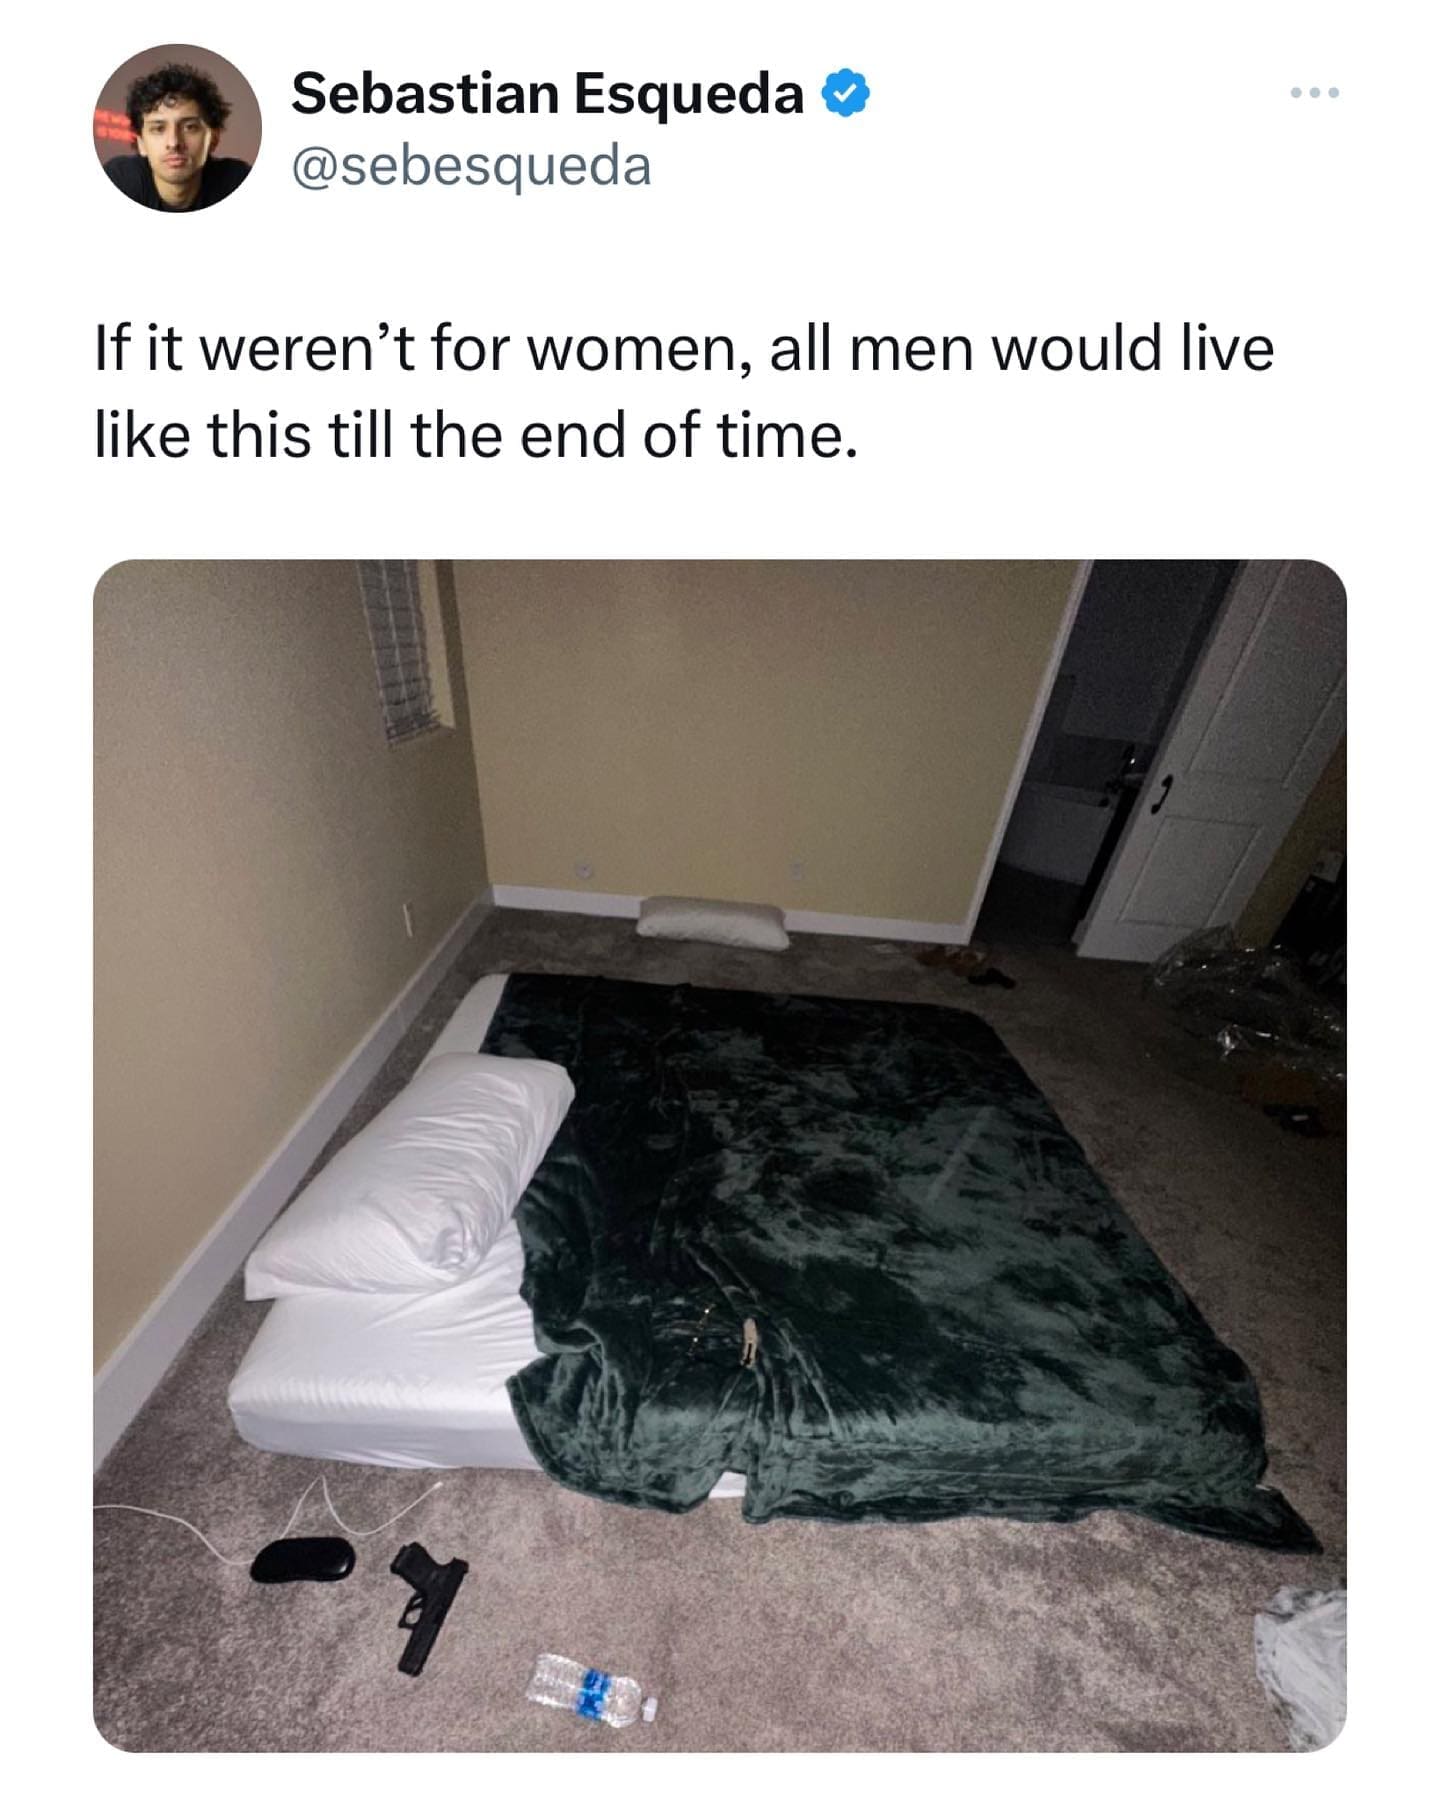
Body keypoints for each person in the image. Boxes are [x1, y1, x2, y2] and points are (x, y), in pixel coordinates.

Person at [105, 62, 252, 211]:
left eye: (190, 127)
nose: (174, 142)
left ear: (213, 138)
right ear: (141, 143)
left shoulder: (238, 181)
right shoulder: (119, 180)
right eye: (159, 129)